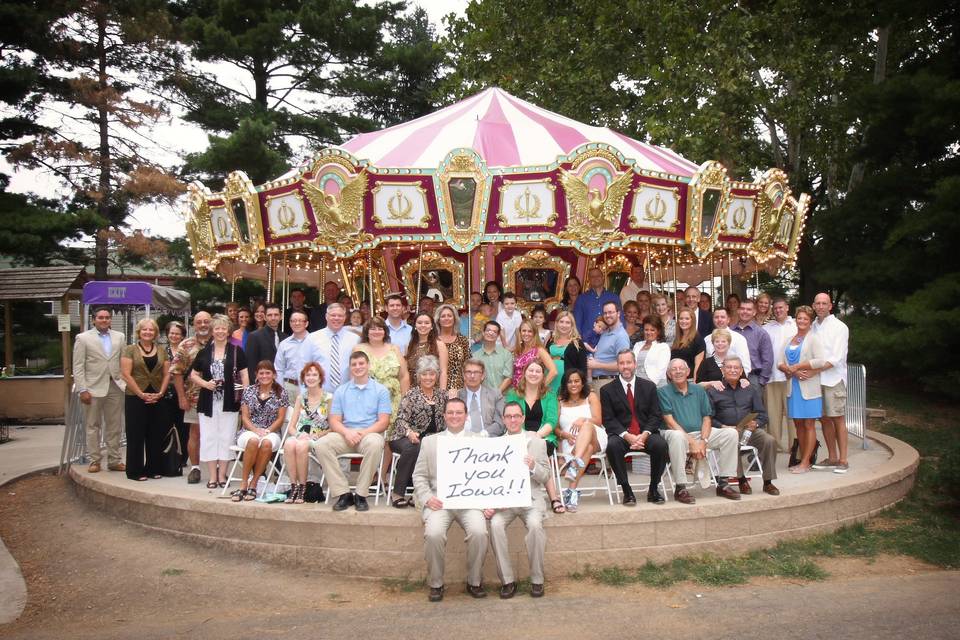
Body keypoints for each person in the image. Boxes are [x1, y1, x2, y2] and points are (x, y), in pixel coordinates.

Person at [412, 398, 489, 602]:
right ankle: (436, 584)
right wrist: (428, 498)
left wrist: (487, 502)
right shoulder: (430, 442)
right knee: (434, 533)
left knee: (480, 532)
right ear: (444, 416)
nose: (455, 416)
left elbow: (488, 476)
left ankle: (474, 581)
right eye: (451, 413)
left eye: (459, 413)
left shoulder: (479, 442)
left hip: (470, 503)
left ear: (466, 416)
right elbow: (418, 476)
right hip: (440, 503)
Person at [313, 351, 390, 512]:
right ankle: (343, 493)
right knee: (321, 445)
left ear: (368, 365)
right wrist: (347, 433)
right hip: (345, 434)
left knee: (376, 444)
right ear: (350, 368)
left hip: (369, 434)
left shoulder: (381, 391)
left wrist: (363, 433)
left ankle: (361, 495)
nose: (358, 367)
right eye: (354, 364)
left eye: (361, 363)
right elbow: (334, 420)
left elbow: (383, 422)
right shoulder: (341, 391)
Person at [487, 401, 549, 599]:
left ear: (522, 418)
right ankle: (507, 580)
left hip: (530, 500)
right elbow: (489, 479)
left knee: (535, 526)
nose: (513, 420)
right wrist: (490, 504)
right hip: (506, 503)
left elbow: (546, 476)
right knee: (495, 525)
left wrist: (533, 467)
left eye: (516, 416)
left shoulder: (537, 442)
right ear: (504, 419)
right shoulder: (495, 445)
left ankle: (537, 579)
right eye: (509, 416)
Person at [658, 359, 740, 503]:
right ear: (669, 374)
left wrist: (703, 441)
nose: (678, 372)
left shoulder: (698, 390)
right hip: (674, 433)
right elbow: (669, 422)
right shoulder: (663, 392)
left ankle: (723, 483)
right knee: (677, 437)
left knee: (731, 434)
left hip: (700, 433)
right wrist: (693, 443)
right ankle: (681, 487)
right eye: (674, 369)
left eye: (681, 368)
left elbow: (707, 419)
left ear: (688, 372)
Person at [600, 349, 669, 505]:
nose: (625, 366)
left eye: (628, 362)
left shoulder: (649, 386)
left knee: (661, 445)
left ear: (635, 364)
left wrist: (644, 435)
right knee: (613, 446)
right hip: (622, 435)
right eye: (622, 363)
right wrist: (627, 436)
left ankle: (653, 489)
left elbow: (655, 415)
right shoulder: (607, 390)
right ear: (617, 365)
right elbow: (608, 419)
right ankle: (627, 490)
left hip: (646, 434)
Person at [189, 314, 250, 488]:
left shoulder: (237, 351)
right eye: (217, 328)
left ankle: (223, 476)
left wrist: (246, 399)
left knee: (226, 437)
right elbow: (193, 375)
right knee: (209, 438)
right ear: (212, 331)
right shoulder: (204, 352)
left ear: (228, 331)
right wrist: (205, 384)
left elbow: (245, 375)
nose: (220, 331)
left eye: (223, 328)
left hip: (230, 401)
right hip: (208, 402)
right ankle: (212, 477)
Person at [706, 356, 779, 496]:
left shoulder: (750, 389)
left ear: (741, 372)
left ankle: (768, 482)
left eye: (736, 368)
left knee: (769, 441)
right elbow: (708, 417)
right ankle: (741, 480)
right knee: (732, 441)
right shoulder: (713, 390)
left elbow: (763, 414)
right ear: (722, 370)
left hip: (749, 430)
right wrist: (722, 427)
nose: (733, 370)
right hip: (726, 431)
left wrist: (756, 423)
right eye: (729, 367)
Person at [503, 360, 564, 514]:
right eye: (531, 370)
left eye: (538, 371)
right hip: (517, 437)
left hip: (544, 437)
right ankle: (553, 498)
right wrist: (525, 436)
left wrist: (536, 436)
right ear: (524, 373)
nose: (534, 374)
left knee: (539, 448)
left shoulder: (549, 395)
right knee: (533, 448)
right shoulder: (513, 394)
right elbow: (512, 418)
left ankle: (553, 497)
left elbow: (551, 420)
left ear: (543, 375)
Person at [389, 355, 447, 507]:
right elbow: (400, 420)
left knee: (432, 447)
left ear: (437, 375)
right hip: (404, 437)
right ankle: (398, 493)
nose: (428, 377)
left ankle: (420, 495)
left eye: (432, 373)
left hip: (431, 440)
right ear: (418, 376)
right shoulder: (411, 395)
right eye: (424, 374)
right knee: (414, 447)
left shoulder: (442, 395)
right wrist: (409, 432)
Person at [73, 306, 126, 473]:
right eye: (101, 317)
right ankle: (95, 460)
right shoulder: (83, 338)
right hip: (92, 388)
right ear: (94, 319)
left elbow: (123, 362)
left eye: (107, 317)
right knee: (92, 425)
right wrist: (82, 389)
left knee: (115, 426)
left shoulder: (119, 337)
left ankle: (114, 460)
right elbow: (78, 366)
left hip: (115, 386)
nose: (104, 320)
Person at [120, 318, 170, 481]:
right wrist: (141, 394)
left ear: (155, 333)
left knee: (155, 433)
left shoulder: (162, 350)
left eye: (151, 330)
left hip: (157, 396)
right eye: (144, 330)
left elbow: (167, 373)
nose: (148, 332)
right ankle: (135, 471)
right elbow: (126, 375)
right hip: (135, 396)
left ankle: (153, 468)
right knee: (136, 434)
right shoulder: (129, 350)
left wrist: (161, 392)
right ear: (139, 332)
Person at [233, 360, 288, 501]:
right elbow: (245, 417)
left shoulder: (281, 393)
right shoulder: (249, 391)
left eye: (268, 373)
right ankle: (244, 483)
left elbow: (280, 419)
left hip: (272, 431)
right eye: (261, 373)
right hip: (249, 429)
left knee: (267, 444)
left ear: (274, 375)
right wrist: (255, 430)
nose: (264, 376)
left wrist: (267, 431)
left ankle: (254, 482)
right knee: (253, 440)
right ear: (256, 375)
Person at [781, 306, 826, 474]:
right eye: (799, 318)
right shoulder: (789, 339)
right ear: (795, 319)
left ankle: (807, 461)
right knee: (798, 424)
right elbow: (780, 362)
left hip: (809, 389)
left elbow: (821, 361)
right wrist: (789, 370)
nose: (801, 321)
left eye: (805, 319)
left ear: (810, 321)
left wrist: (799, 367)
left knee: (809, 424)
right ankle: (800, 458)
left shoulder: (814, 339)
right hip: (793, 388)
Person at [555, 368, 606, 512]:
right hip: (570, 442)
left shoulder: (591, 396)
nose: (573, 384)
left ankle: (575, 461)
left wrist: (583, 419)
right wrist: (565, 435)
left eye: (577, 381)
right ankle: (571, 492)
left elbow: (598, 420)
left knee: (587, 425)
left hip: (596, 436)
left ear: (583, 383)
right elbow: (556, 428)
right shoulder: (560, 400)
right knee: (587, 449)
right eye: (570, 381)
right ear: (565, 384)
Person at [281, 362, 332, 504]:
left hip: (319, 437)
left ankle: (303, 488)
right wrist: (298, 435)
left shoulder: (328, 398)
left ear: (320, 378)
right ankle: (294, 487)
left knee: (301, 446)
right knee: (289, 444)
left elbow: (333, 427)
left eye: (314, 374)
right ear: (303, 378)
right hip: (301, 435)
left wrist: (317, 435)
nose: (311, 377)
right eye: (307, 375)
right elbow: (291, 426)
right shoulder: (300, 398)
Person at [171, 311, 211, 483]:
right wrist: (181, 397)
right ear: (194, 325)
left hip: (218, 398)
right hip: (194, 397)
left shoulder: (221, 342)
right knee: (195, 433)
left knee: (216, 434)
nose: (203, 325)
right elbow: (177, 372)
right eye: (199, 322)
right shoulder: (185, 346)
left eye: (206, 321)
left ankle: (217, 468)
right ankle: (195, 468)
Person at [812, 293, 850, 473]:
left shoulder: (839, 327)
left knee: (838, 418)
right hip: (817, 380)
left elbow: (836, 357)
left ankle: (843, 460)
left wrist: (814, 370)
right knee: (825, 419)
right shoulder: (813, 326)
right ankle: (832, 457)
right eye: (817, 303)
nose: (820, 306)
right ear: (813, 305)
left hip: (833, 379)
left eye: (824, 303)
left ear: (830, 306)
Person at [354, 316, 409, 426]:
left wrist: (405, 400)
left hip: (393, 400)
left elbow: (404, 376)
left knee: (392, 437)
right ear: (366, 332)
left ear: (385, 332)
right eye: (373, 329)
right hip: (368, 401)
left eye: (380, 329)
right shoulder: (359, 349)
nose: (377, 332)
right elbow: (354, 377)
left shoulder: (394, 349)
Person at [302, 303, 361, 394]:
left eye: (340, 315)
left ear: (345, 317)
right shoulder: (312, 338)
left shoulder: (355, 339)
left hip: (347, 394)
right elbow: (304, 367)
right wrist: (305, 394)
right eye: (333, 315)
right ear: (326, 316)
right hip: (319, 394)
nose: (336, 318)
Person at [764, 297, 797, 450]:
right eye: (775, 308)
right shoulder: (767, 328)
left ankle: (795, 446)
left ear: (787, 308)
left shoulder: (797, 325)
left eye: (781, 307)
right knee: (773, 414)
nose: (778, 310)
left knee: (793, 414)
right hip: (772, 377)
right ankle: (775, 446)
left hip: (792, 377)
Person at [456, 358, 506, 438]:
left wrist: (483, 434)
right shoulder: (457, 396)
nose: (472, 376)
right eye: (469, 372)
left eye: (476, 372)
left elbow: (501, 422)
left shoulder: (495, 395)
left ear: (482, 376)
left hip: (489, 439)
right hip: (463, 441)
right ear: (463, 375)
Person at [731, 299, 774, 389]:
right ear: (738, 311)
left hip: (753, 378)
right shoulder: (730, 332)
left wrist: (761, 382)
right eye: (742, 308)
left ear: (754, 312)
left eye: (749, 309)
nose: (745, 312)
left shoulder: (761, 333)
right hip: (731, 376)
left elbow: (768, 360)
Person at [587, 301, 630, 389]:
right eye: (605, 313)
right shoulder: (605, 332)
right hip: (597, 382)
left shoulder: (621, 336)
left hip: (608, 382)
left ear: (618, 313)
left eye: (610, 312)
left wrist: (596, 365)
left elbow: (623, 365)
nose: (607, 315)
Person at [545, 310, 588, 397]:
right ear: (556, 323)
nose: (564, 325)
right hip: (550, 379)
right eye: (561, 322)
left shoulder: (577, 343)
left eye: (567, 322)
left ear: (572, 325)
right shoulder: (550, 340)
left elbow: (583, 368)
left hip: (568, 383)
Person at [163, 321, 188, 466]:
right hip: (165, 394)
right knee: (165, 425)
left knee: (183, 427)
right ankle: (167, 455)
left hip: (183, 392)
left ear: (182, 336)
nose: (174, 336)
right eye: (171, 333)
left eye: (177, 334)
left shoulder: (186, 351)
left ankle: (183, 457)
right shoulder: (162, 351)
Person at [404, 311, 449, 391]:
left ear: (432, 326)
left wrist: (442, 394)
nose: (423, 325)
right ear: (415, 326)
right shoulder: (409, 346)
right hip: (413, 392)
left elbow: (443, 372)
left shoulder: (439, 345)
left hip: (433, 391)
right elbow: (406, 373)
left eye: (427, 323)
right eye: (420, 323)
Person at [244, 303, 286, 382]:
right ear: (265, 317)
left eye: (276, 315)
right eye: (270, 315)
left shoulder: (286, 338)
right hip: (262, 383)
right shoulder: (254, 336)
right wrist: (256, 385)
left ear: (281, 317)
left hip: (281, 384)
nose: (273, 318)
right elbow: (250, 364)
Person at [511, 319, 557, 390]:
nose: (526, 333)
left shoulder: (539, 350)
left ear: (534, 333)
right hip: (516, 391)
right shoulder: (519, 350)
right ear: (520, 332)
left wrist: (540, 388)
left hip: (530, 393)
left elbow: (553, 371)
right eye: (524, 331)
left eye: (530, 331)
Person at [573, 267, 619, 337]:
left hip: (609, 340)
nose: (595, 278)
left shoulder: (614, 297)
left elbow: (620, 320)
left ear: (603, 278)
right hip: (587, 341)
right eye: (592, 276)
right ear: (589, 280)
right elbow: (577, 323)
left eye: (598, 275)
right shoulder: (581, 299)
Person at [705, 307, 752, 374]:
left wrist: (741, 380)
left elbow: (745, 365)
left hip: (734, 380)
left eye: (722, 317)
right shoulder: (707, 339)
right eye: (716, 317)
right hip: (712, 381)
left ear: (728, 320)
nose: (719, 320)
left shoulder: (739, 339)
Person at [471, 320, 513, 394]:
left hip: (504, 398)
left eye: (494, 332)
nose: (491, 333)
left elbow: (508, 378)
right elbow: (474, 379)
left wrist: (496, 394)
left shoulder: (506, 354)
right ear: (483, 333)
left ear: (498, 335)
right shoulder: (475, 357)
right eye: (488, 330)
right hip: (484, 398)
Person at [436, 303, 470, 390]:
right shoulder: (433, 341)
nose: (446, 318)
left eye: (449, 316)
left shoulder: (462, 340)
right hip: (435, 388)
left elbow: (467, 365)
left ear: (454, 319)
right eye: (443, 316)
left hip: (457, 388)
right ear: (438, 320)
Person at [632, 315, 671, 387]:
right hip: (637, 385)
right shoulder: (637, 345)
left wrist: (648, 387)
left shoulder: (663, 347)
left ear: (658, 331)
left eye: (652, 330)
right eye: (646, 330)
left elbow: (660, 370)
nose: (649, 332)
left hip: (656, 386)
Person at [670, 308, 706, 379]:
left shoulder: (698, 340)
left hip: (690, 381)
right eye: (681, 318)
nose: (683, 321)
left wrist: (695, 384)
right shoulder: (677, 339)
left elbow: (698, 366)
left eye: (687, 319)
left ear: (692, 321)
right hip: (676, 380)